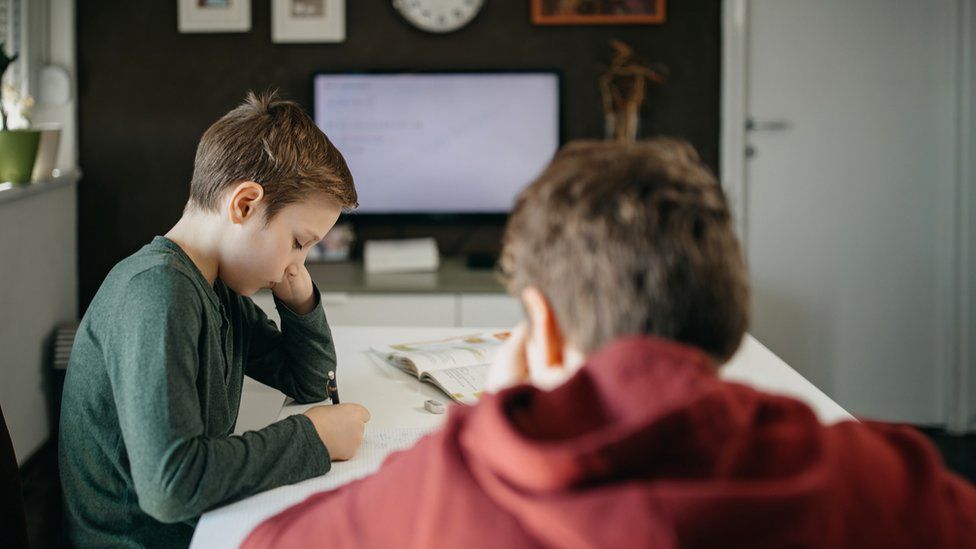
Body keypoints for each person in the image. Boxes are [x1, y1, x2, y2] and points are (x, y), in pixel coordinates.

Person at [243, 139, 976, 548]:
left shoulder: (453, 483)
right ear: (727, 307)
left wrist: (487, 423)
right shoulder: (876, 476)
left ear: (543, 327)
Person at [59, 91, 370, 548]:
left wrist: (299, 297)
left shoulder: (214, 289)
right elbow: (171, 487)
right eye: (299, 242)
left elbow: (307, 382)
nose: (295, 263)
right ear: (244, 205)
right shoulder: (158, 293)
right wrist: (313, 439)